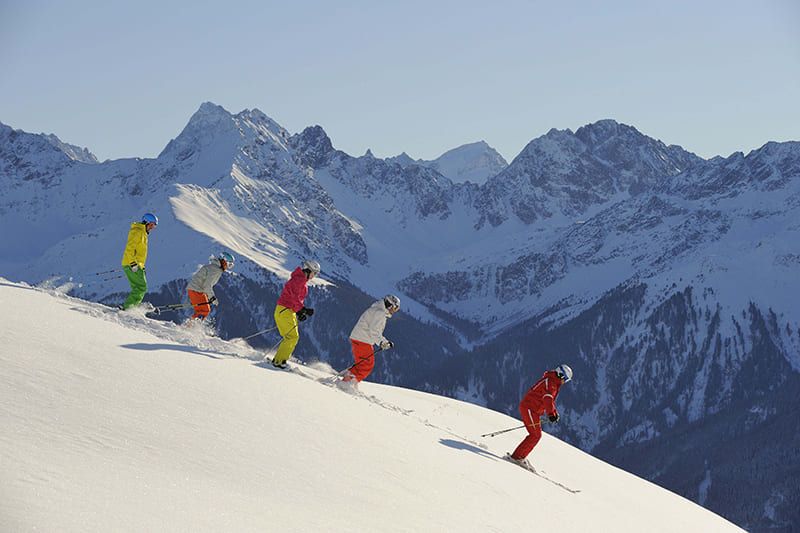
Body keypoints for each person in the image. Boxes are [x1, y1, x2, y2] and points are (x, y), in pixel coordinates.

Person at [507, 364, 573, 471]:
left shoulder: (552, 382)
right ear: (561, 375)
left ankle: (519, 456)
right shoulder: (551, 383)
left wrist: (554, 413)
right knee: (535, 435)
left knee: (536, 435)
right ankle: (516, 457)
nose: (564, 382)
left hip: (534, 411)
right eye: (565, 379)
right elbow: (547, 399)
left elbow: (549, 400)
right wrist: (551, 414)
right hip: (529, 408)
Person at [272, 260, 320, 368]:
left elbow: (294, 299)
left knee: (291, 337)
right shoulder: (298, 281)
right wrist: (303, 310)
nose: (314, 276)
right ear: (308, 270)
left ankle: (279, 360)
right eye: (314, 273)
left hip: (286, 311)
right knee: (292, 337)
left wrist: (299, 312)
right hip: (285, 311)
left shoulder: (300, 281)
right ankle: (279, 362)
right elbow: (294, 298)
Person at [345, 295, 400, 383]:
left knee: (363, 364)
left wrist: (384, 342)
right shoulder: (380, 313)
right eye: (394, 308)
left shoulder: (377, 310)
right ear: (389, 305)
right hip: (362, 340)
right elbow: (374, 331)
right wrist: (382, 342)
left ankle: (348, 380)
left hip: (360, 338)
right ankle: (348, 383)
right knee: (366, 365)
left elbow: (374, 330)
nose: (394, 311)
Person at [120, 213, 158, 310]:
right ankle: (128, 308)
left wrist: (142, 266)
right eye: (151, 225)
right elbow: (130, 248)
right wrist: (133, 263)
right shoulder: (138, 232)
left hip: (136, 264)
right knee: (141, 287)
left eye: (154, 226)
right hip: (131, 263)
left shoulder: (143, 233)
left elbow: (139, 253)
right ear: (146, 222)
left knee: (138, 287)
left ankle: (130, 307)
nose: (152, 228)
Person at [186, 252, 235, 320]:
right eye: (229, 264)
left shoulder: (215, 267)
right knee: (204, 310)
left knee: (204, 310)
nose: (228, 267)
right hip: (196, 290)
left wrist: (209, 296)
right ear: (224, 261)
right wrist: (212, 298)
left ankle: (191, 325)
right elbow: (207, 285)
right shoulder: (215, 270)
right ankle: (190, 327)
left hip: (197, 290)